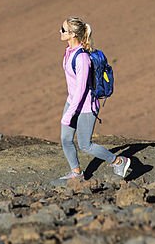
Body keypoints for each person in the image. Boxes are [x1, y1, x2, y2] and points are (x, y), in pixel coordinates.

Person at [56, 17, 132, 182]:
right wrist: (69, 108)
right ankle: (76, 173)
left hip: (86, 107)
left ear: (73, 34)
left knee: (85, 145)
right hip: (72, 101)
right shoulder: (69, 52)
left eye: (63, 30)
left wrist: (70, 113)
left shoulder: (82, 58)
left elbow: (82, 89)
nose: (60, 32)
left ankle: (119, 161)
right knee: (66, 139)